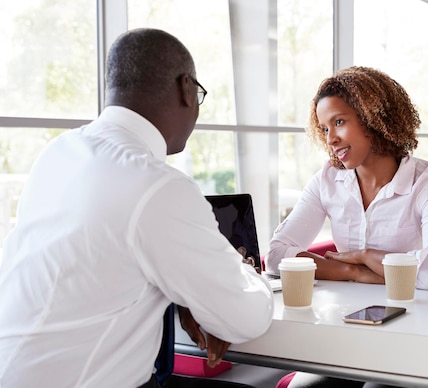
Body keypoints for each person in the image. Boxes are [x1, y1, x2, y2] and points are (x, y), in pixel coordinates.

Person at [0, 28, 274, 388]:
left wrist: (189, 294)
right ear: (185, 89)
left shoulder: (58, 154)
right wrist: (244, 273)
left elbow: (101, 273)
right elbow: (246, 318)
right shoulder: (158, 186)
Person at [265, 66, 428, 387]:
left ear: (373, 119)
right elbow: (276, 256)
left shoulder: (427, 182)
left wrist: (367, 256)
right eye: (324, 128)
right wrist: (353, 272)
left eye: (339, 122)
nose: (331, 139)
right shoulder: (326, 180)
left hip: (410, 333)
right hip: (343, 332)